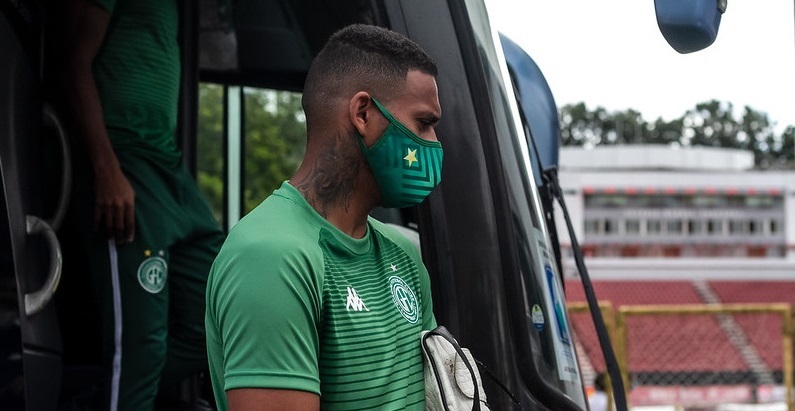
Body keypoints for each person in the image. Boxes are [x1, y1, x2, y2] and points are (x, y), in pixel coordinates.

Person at [205, 24, 443, 410]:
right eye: (424, 123)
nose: (433, 144)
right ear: (363, 113)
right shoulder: (270, 257)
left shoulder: (404, 252)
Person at [64, 0, 224, 409]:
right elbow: (72, 62)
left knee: (219, 313)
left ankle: (99, 391)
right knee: (140, 346)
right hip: (123, 160)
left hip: (167, 166)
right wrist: (106, 169)